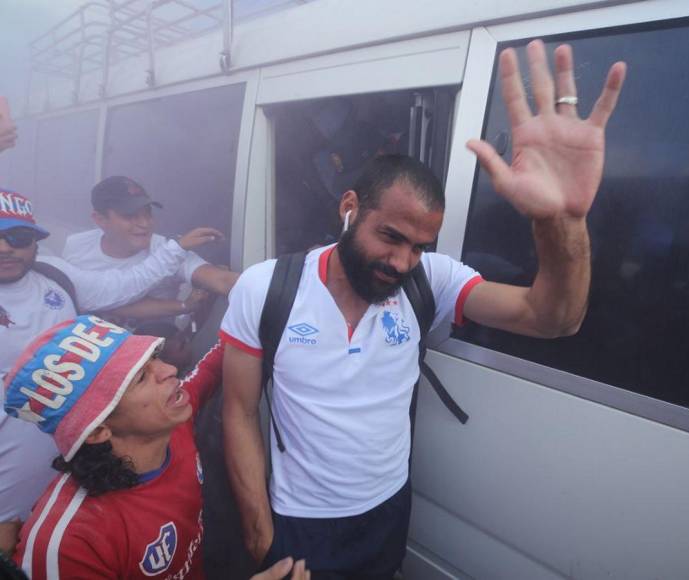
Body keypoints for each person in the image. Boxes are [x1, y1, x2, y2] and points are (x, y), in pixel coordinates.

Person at [220, 40, 626, 578]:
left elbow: (553, 317)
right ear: (349, 208)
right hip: (299, 522)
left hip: (388, 512)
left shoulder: (428, 281)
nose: (401, 261)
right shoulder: (265, 287)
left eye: (419, 246)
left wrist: (563, 220)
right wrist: (258, 531)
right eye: (390, 236)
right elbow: (239, 410)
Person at [0, 187, 222, 554]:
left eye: (18, 237)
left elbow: (120, 288)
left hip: (79, 468)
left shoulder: (54, 276)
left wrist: (175, 252)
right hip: (10, 490)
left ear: (36, 241)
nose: (7, 248)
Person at [5, 316, 309, 580]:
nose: (169, 370)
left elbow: (213, 364)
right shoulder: (67, 545)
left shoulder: (169, 423)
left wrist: (259, 298)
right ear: (98, 430)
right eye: (140, 378)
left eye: (154, 357)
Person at [62, 176, 239, 330]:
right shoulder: (77, 246)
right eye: (130, 216)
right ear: (100, 219)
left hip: (154, 361)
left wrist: (263, 281)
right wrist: (183, 306)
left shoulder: (170, 249)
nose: (144, 224)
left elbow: (222, 281)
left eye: (148, 214)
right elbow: (76, 297)